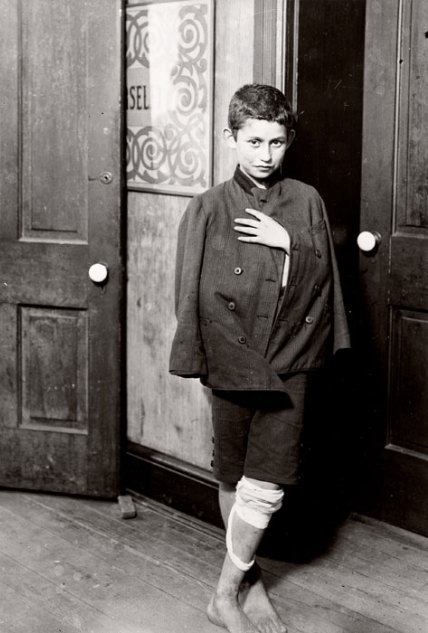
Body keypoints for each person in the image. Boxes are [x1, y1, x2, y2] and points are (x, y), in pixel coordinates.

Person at [169, 84, 351, 633]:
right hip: (229, 358)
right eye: (253, 141)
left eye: (276, 141)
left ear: (288, 139)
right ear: (232, 138)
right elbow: (189, 293)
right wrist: (200, 356)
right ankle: (250, 585)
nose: (265, 154)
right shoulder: (206, 207)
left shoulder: (307, 200)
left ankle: (224, 593)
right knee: (232, 472)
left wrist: (289, 241)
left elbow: (328, 285)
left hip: (289, 360)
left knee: (267, 482)